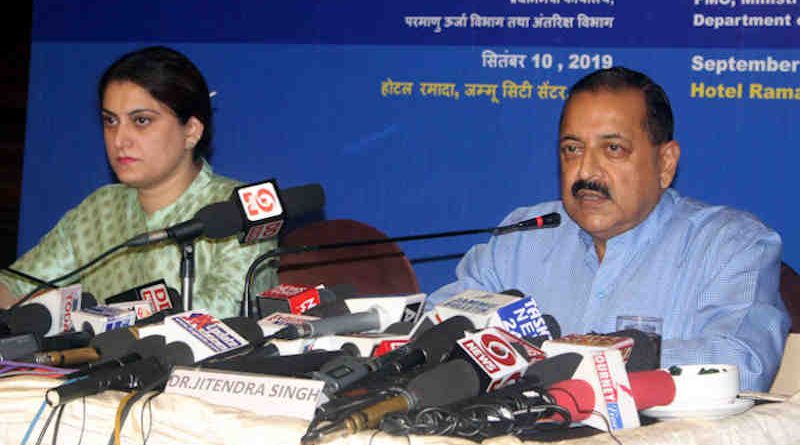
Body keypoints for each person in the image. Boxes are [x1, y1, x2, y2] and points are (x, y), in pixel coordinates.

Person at [426, 66, 790, 391]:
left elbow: (742, 364)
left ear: (665, 163)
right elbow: (438, 324)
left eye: (613, 148)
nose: (586, 171)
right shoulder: (522, 238)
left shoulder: (730, 245)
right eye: (572, 149)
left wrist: (612, 355)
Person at [0, 46, 275, 318]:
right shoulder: (100, 208)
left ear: (191, 131)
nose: (119, 140)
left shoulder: (239, 210)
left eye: (141, 120)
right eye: (110, 121)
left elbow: (225, 317)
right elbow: (14, 286)